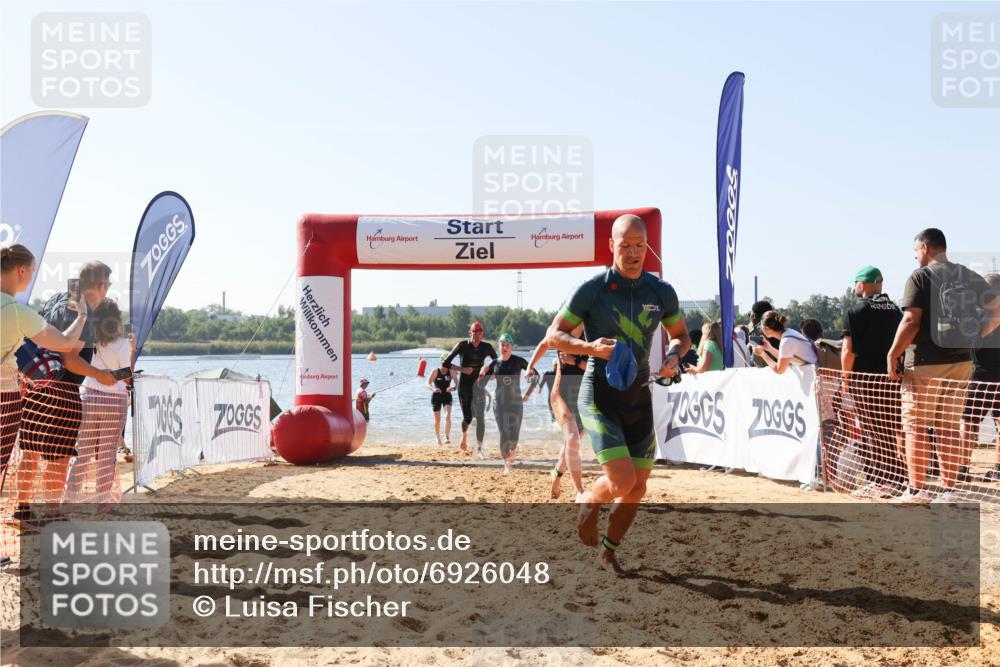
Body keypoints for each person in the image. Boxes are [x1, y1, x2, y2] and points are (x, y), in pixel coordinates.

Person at [545, 213, 690, 575]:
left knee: (638, 487)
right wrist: (591, 347)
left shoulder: (661, 292)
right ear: (612, 246)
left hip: (639, 394)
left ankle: (608, 552)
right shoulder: (592, 289)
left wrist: (673, 356)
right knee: (621, 480)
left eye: (640, 246)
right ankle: (588, 501)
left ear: (647, 248)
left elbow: (682, 336)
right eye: (625, 246)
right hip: (599, 394)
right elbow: (554, 335)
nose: (633, 253)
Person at [2, 251, 115, 527]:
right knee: (60, 454)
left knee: (29, 450)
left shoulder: (55, 299)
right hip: (62, 390)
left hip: (32, 387)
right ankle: (53, 512)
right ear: (100, 286)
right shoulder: (85, 312)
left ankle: (22, 509)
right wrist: (101, 374)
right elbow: (70, 358)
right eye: (108, 286)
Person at [887, 229, 1000, 504]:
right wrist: (979, 334)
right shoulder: (968, 275)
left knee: (916, 427)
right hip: (961, 363)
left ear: (925, 248)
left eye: (915, 251)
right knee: (949, 428)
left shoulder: (920, 276)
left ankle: (917, 490)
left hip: (926, 362)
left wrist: (893, 354)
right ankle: (949, 491)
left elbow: (911, 321)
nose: (915, 256)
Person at [840, 265, 906, 498]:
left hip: (865, 380)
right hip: (892, 378)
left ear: (862, 284)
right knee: (890, 429)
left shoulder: (855, 312)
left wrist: (845, 378)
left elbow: (848, 351)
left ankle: (881, 481)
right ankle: (897, 478)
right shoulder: (896, 311)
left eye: (856, 283)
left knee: (871, 431)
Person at [65, 298, 133, 503]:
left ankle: (69, 498)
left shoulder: (88, 341)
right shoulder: (122, 344)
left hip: (89, 396)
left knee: (82, 452)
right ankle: (102, 502)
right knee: (106, 455)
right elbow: (127, 375)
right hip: (114, 400)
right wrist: (131, 354)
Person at [527, 331, 588, 500]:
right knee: (573, 439)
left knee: (571, 442)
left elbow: (596, 367)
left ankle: (556, 474)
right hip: (561, 394)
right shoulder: (562, 331)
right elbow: (543, 344)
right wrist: (530, 366)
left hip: (584, 396)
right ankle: (579, 491)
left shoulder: (592, 332)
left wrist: (575, 361)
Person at [963, 273, 1000, 481]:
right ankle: (998, 468)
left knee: (968, 422)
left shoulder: (979, 313)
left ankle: (961, 467)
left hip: (979, 373)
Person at [442, 322, 497, 456]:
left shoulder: (487, 347)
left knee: (480, 417)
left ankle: (479, 448)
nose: (477, 334)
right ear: (470, 332)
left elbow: (498, 362)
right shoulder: (462, 345)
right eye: (474, 331)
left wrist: (487, 369)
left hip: (478, 385)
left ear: (482, 333)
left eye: (479, 331)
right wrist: (462, 369)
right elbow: (445, 363)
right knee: (468, 417)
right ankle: (464, 437)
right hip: (464, 386)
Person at [479, 333, 529, 474]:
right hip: (499, 403)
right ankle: (506, 464)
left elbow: (535, 374)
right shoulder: (494, 363)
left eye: (507, 345)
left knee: (514, 436)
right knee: (504, 433)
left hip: (516, 403)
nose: (505, 347)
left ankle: (512, 450)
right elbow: (481, 384)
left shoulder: (519, 361)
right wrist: (482, 373)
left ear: (511, 346)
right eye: (502, 344)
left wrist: (529, 392)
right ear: (499, 346)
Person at [753, 311, 818, 373]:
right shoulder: (789, 333)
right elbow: (785, 358)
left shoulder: (786, 341)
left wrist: (763, 354)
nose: (760, 329)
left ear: (766, 328)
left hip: (815, 375)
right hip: (816, 371)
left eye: (760, 326)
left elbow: (779, 370)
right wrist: (770, 348)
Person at [426, 352, 456, 445]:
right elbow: (427, 383)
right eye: (444, 362)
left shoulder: (451, 371)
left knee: (448, 416)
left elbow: (458, 383)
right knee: (438, 420)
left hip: (447, 395)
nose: (445, 365)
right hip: (436, 397)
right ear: (441, 362)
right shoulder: (436, 371)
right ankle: (438, 438)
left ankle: (446, 437)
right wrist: (433, 389)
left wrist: (453, 388)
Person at [748, 300, 779, 367]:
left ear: (754, 316)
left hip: (768, 372)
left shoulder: (757, 332)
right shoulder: (777, 326)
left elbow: (758, 362)